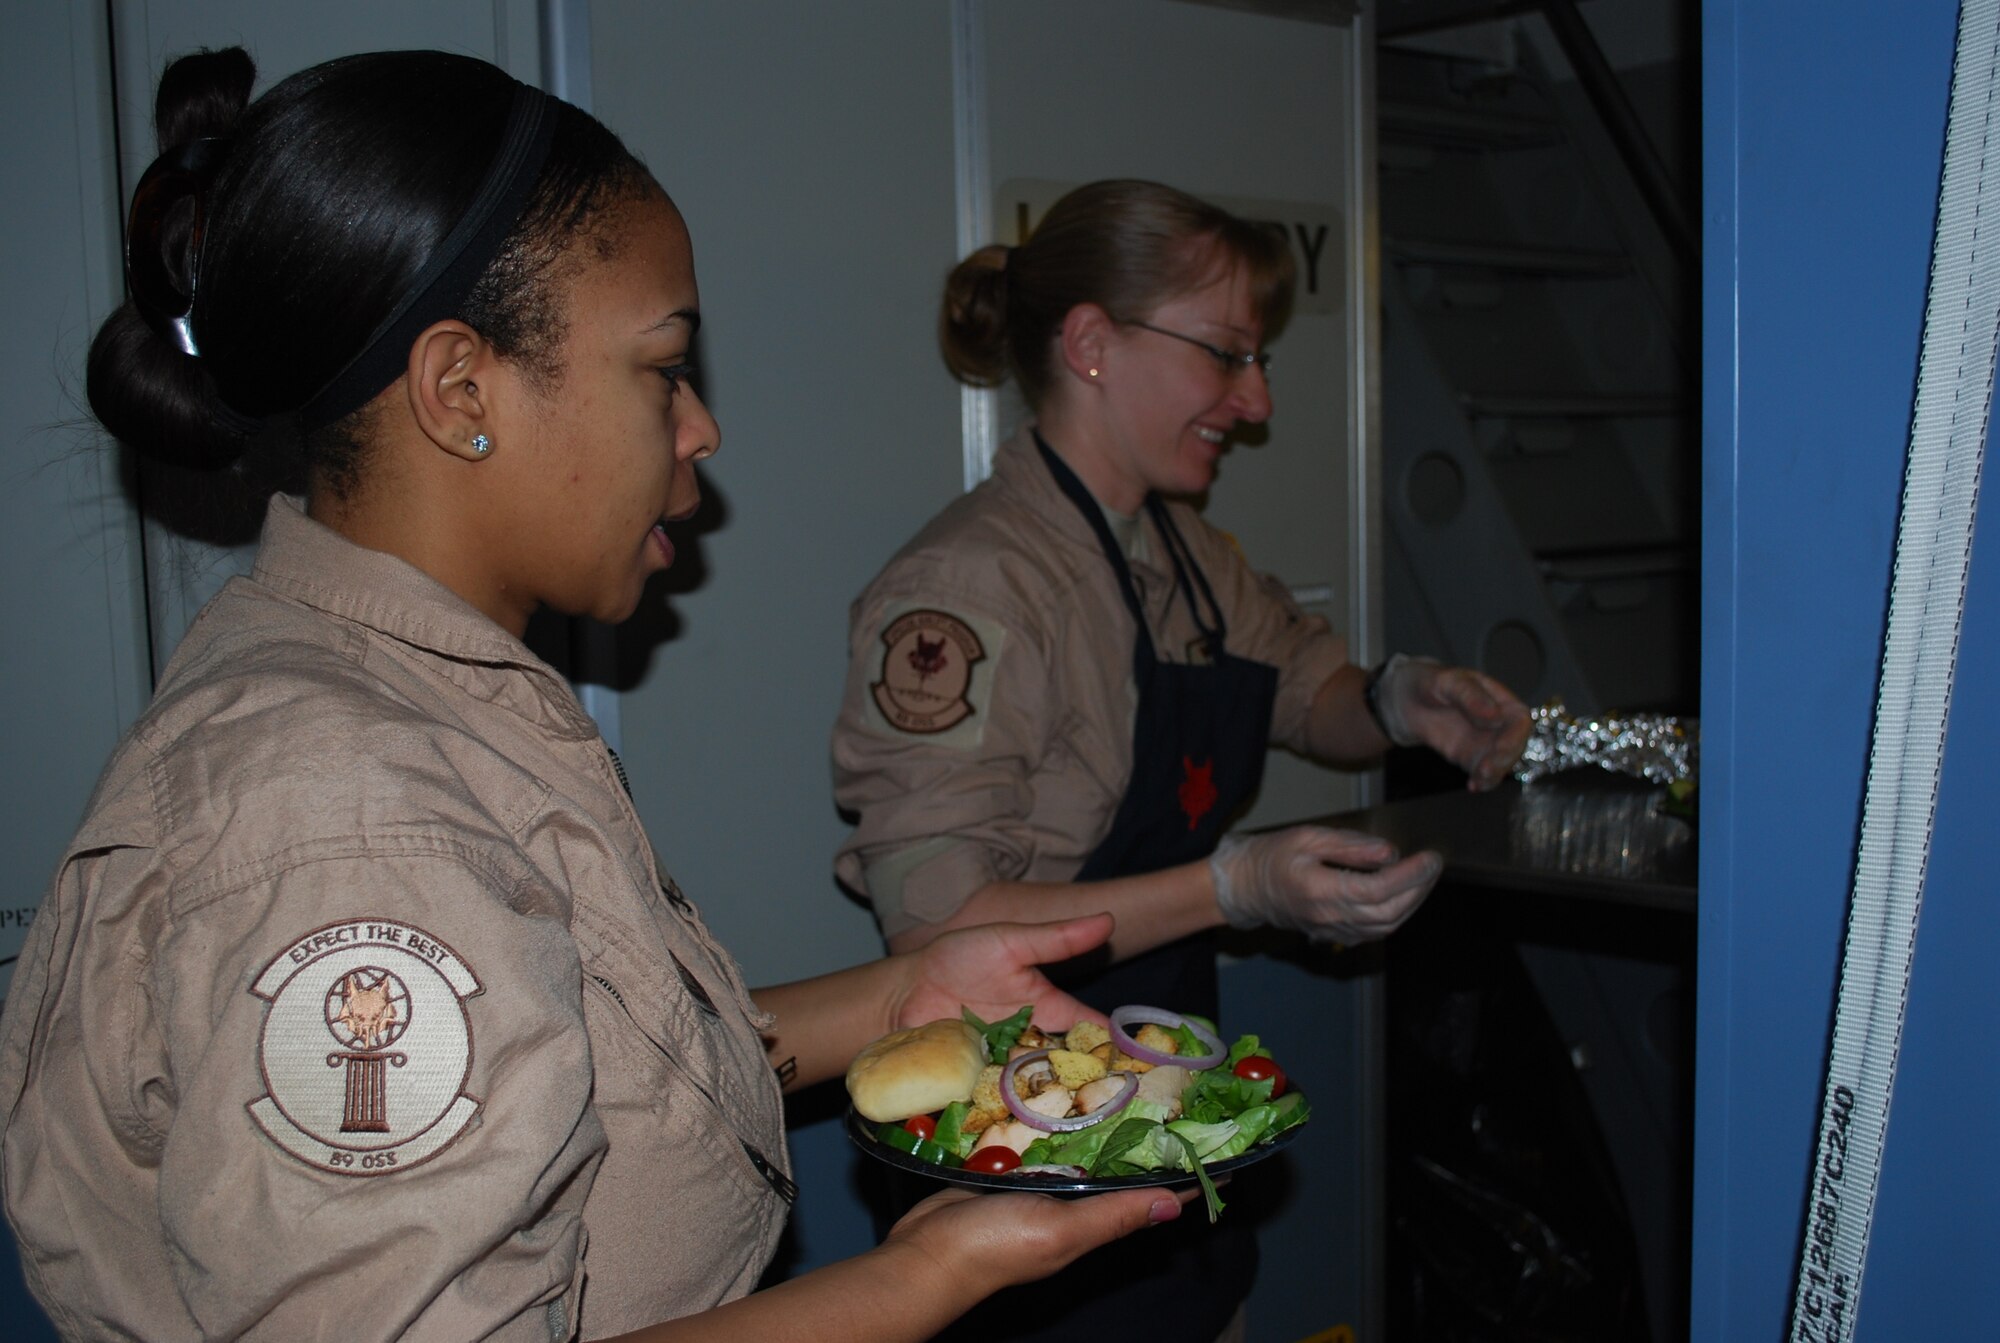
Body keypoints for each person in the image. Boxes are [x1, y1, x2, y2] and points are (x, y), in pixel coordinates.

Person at [0, 49, 1193, 1343]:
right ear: (463, 390)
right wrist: (921, 1277)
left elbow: (588, 1064)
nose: (701, 428)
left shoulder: (421, 700)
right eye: (663, 367)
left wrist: (902, 1000)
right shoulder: (341, 812)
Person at [830, 179, 1533, 1342]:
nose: (1252, 402)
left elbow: (1308, 693)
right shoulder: (965, 593)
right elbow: (938, 924)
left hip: (1164, 1102)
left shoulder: (1186, 551)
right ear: (1093, 344)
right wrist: (1236, 885)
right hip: (1023, 1142)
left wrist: (1403, 700)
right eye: (1224, 356)